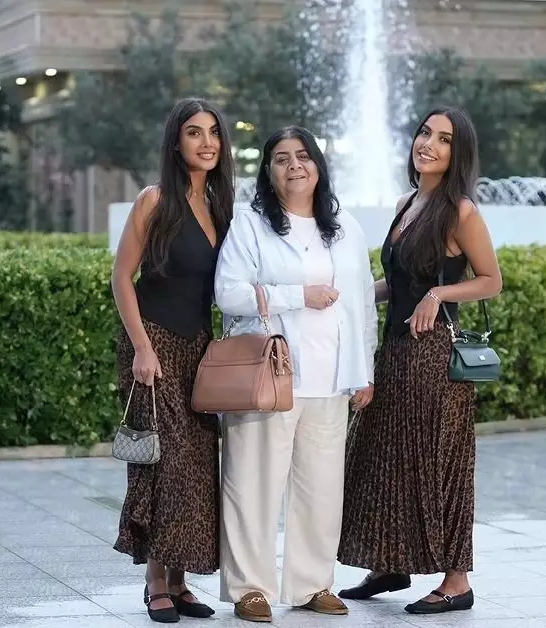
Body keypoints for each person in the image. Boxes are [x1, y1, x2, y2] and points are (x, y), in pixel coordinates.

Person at [337, 106, 503, 615]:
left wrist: (439, 294)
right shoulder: (407, 204)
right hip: (394, 352)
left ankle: (457, 581)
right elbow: (398, 283)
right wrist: (352, 295)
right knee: (384, 458)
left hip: (434, 359)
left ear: (458, 153)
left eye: (444, 139)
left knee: (438, 463)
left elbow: (491, 280)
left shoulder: (461, 212)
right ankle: (390, 563)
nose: (428, 144)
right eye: (425, 133)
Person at [213, 125, 378, 623]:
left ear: (318, 165)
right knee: (252, 485)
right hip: (270, 378)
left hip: (331, 379)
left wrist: (365, 369)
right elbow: (228, 293)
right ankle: (249, 588)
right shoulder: (250, 225)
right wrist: (296, 296)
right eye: (282, 158)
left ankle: (311, 584)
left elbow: (364, 304)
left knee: (321, 489)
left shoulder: (345, 228)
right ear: (269, 171)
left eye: (303, 156)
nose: (294, 166)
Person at [110, 97, 236, 624]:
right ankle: (155, 582)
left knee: (196, 466)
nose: (206, 142)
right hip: (155, 343)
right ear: (176, 142)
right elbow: (121, 277)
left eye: (213, 132)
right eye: (194, 132)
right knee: (165, 464)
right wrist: (142, 346)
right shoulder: (154, 200)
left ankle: (181, 582)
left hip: (198, 348)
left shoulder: (221, 204)